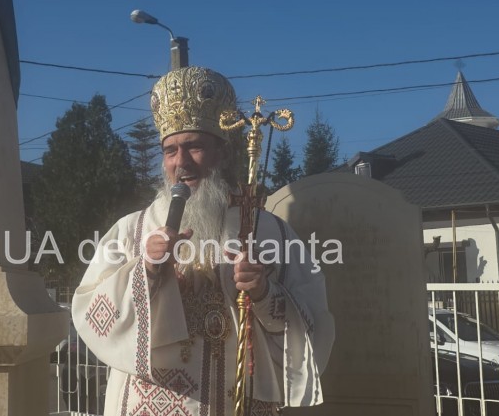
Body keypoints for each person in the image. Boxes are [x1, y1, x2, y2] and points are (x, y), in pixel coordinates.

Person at [72, 66, 334, 416]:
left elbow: (314, 326)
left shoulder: (272, 233)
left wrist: (263, 293)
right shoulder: (130, 231)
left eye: (194, 147)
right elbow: (92, 314)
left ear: (222, 153)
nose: (181, 163)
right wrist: (145, 271)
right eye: (170, 151)